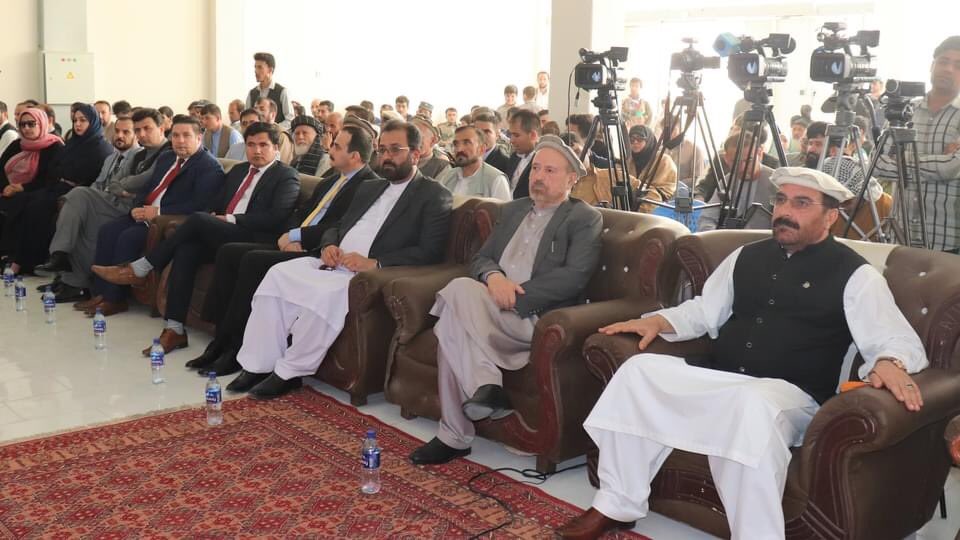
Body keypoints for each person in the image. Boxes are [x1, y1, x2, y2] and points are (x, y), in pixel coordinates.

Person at [558, 167, 928, 540]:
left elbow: (895, 337)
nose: (785, 211)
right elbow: (705, 311)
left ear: (830, 216)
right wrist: (658, 321)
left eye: (801, 203)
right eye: (781, 200)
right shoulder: (746, 256)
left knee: (752, 405)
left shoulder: (856, 275)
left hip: (792, 396)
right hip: (725, 378)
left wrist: (891, 362)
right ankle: (616, 503)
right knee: (638, 373)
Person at [223, 121, 453, 399]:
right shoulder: (370, 187)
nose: (386, 157)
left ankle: (289, 373)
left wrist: (376, 263)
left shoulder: (434, 195)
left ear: (416, 154)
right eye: (382, 150)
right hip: (334, 263)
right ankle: (258, 364)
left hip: (367, 274)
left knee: (324, 295)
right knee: (277, 276)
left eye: (395, 150)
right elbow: (339, 225)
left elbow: (430, 251)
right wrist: (329, 244)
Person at [409, 135, 602, 464]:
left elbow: (575, 276)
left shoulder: (584, 218)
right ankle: (479, 397)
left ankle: (456, 434)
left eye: (550, 171)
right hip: (488, 307)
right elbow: (482, 259)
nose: (538, 176)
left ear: (572, 178)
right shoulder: (513, 210)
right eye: (535, 168)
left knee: (456, 300)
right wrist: (494, 278)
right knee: (456, 313)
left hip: (533, 317)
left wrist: (515, 295)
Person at [187, 124, 379, 376]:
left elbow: (339, 227)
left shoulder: (369, 186)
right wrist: (288, 236)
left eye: (336, 146)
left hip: (317, 251)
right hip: (293, 242)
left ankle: (236, 348)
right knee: (229, 252)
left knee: (252, 260)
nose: (329, 149)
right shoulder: (332, 180)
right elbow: (302, 212)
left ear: (354, 156)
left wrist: (297, 237)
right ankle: (219, 340)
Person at [93, 122, 301, 354]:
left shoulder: (286, 176)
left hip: (254, 237)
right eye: (251, 145)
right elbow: (216, 201)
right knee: (186, 250)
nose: (257, 150)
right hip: (224, 232)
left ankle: (144, 266)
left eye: (263, 145)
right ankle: (174, 329)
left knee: (198, 219)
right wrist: (215, 215)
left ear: (276, 148)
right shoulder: (240, 171)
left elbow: (275, 217)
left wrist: (228, 219)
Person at [87, 115, 224, 316]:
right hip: (145, 213)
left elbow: (201, 206)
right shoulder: (167, 157)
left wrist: (159, 212)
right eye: (175, 135)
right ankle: (100, 293)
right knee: (107, 231)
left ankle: (115, 299)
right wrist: (137, 206)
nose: (180, 141)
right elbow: (148, 188)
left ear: (198, 138)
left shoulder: (209, 167)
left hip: (165, 220)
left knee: (127, 237)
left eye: (186, 135)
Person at [38, 108, 170, 304]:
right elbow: (114, 182)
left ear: (161, 128)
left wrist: (124, 188)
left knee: (79, 195)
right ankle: (71, 277)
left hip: (138, 208)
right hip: (119, 202)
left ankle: (60, 257)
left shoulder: (167, 153)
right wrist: (124, 188)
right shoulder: (140, 154)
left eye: (146, 129)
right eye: (138, 130)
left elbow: (145, 179)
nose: (142, 134)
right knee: (80, 214)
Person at [874, 36, 960, 252]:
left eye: (958, 65)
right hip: (898, 236)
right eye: (943, 61)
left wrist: (899, 161)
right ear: (932, 65)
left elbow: (951, 167)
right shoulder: (903, 110)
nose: (948, 69)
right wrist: (941, 161)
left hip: (948, 241)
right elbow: (876, 164)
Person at [6, 103, 113, 274]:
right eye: (75, 120)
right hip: (58, 186)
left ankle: (27, 261)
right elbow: (56, 168)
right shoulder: (74, 143)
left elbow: (90, 177)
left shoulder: (100, 147)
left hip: (78, 192)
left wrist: (64, 175)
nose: (78, 124)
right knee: (24, 201)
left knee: (36, 206)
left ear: (93, 122)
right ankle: (17, 256)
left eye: (83, 120)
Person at [0, 109, 64, 269]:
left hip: (37, 191)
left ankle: (19, 259)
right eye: (22, 125)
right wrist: (6, 186)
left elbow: (50, 178)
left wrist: (21, 187)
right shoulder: (17, 145)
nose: (26, 128)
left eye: (31, 124)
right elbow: (0, 168)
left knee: (24, 205)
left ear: (42, 123)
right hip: (10, 190)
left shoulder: (54, 146)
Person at [697, 133, 775, 231]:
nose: (742, 168)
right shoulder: (726, 182)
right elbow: (706, 219)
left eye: (748, 160)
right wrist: (718, 236)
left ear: (760, 153)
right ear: (726, 159)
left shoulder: (776, 182)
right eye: (735, 161)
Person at [823, 155, 893, 241]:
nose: (839, 206)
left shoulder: (885, 206)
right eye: (832, 200)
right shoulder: (823, 209)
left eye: (846, 201)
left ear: (862, 192)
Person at [435, 126, 511, 200]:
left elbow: (504, 208)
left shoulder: (496, 179)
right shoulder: (448, 176)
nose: (459, 149)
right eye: (456, 144)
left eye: (466, 143)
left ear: (482, 149)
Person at [625, 125, 677, 213]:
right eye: (632, 140)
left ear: (648, 141)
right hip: (631, 198)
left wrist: (640, 188)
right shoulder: (629, 161)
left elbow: (666, 189)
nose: (635, 142)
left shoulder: (663, 160)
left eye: (639, 139)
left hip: (656, 201)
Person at [245, 52, 292, 130]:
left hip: (276, 135)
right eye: (255, 67)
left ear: (270, 70)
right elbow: (247, 117)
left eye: (260, 67)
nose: (256, 71)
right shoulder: (251, 93)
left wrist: (272, 129)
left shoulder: (282, 92)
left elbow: (290, 119)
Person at [504, 110, 541, 199]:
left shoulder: (543, 161)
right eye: (511, 135)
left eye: (516, 135)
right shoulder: (514, 157)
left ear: (533, 135)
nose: (511, 140)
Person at [253, 98, 294, 164]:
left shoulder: (281, 136)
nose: (257, 112)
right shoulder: (252, 133)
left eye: (262, 109)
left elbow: (281, 165)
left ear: (272, 114)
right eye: (255, 109)